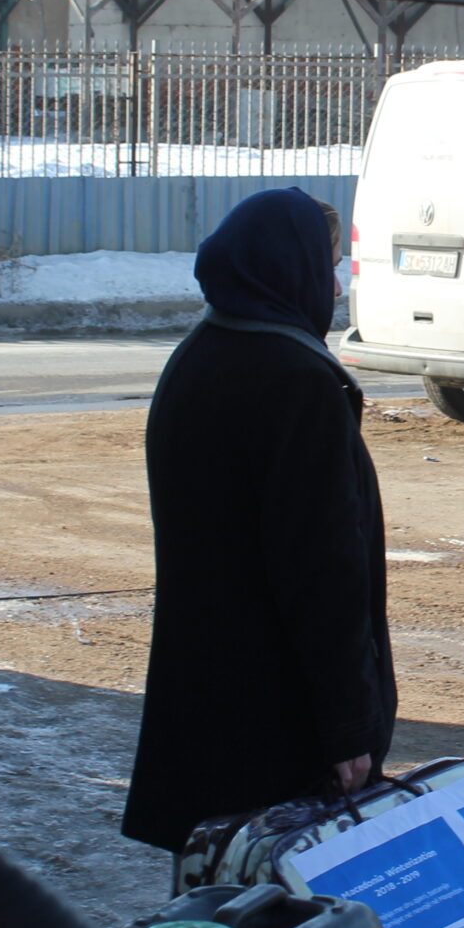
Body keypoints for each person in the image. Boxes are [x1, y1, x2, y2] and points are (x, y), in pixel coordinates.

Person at [123, 188, 396, 853]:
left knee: (215, 909)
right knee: (283, 927)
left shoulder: (200, 354)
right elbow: (321, 573)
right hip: (280, 722)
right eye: (325, 264)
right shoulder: (297, 381)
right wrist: (346, 728)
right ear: (287, 267)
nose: (332, 287)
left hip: (208, 701)